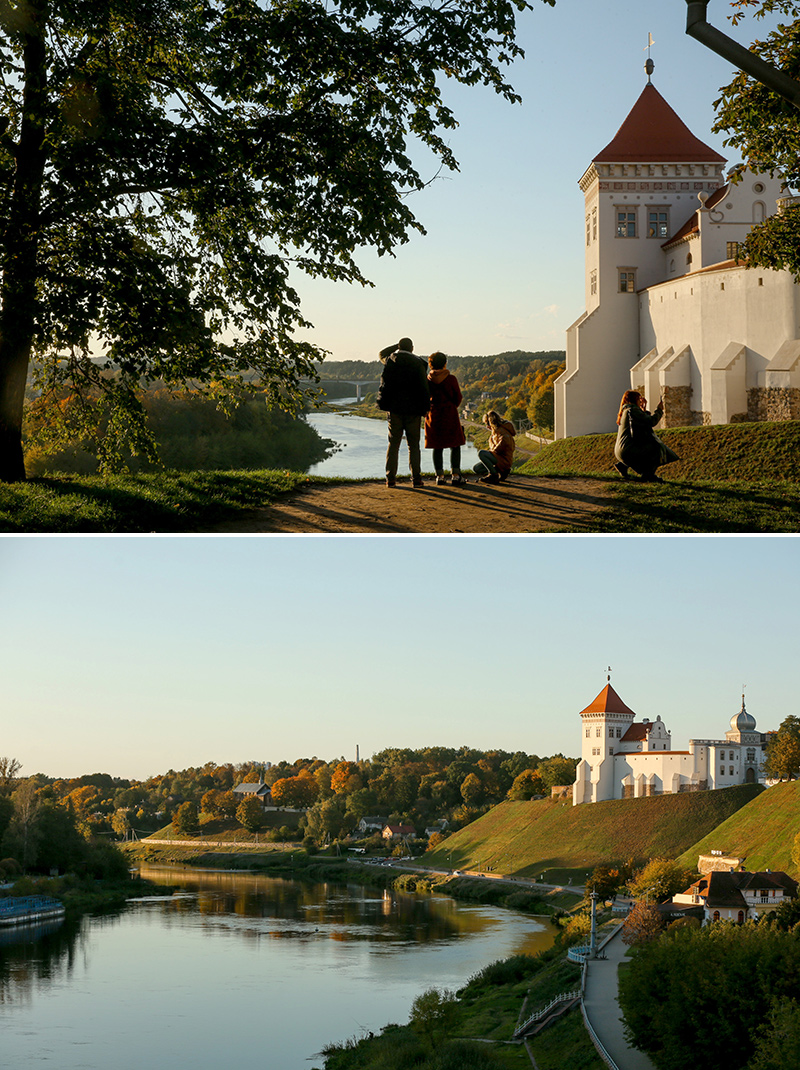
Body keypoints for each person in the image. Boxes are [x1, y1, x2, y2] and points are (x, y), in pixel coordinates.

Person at [376, 338, 430, 487]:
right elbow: (424, 388)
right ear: (412, 348)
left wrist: (397, 347)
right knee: (413, 446)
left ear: (399, 347)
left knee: (393, 444)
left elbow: (381, 353)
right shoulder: (419, 363)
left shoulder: (390, 360)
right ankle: (416, 479)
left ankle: (390, 478)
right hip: (413, 410)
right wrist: (425, 408)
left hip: (394, 409)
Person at [614, 390, 679, 482]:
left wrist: (643, 408)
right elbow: (651, 422)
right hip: (627, 450)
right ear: (634, 399)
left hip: (621, 450)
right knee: (657, 448)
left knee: (646, 447)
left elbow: (642, 421)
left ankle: (623, 465)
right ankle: (648, 475)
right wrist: (659, 410)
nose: (640, 401)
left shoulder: (627, 410)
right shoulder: (632, 410)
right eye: (639, 399)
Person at [424, 352, 467, 485]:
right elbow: (458, 398)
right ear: (444, 363)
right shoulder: (451, 379)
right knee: (455, 444)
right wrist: (452, 406)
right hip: (449, 413)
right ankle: (455, 475)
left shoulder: (427, 380)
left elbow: (424, 397)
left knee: (437, 446)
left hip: (434, 415)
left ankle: (440, 476)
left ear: (430, 364)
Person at [473, 410, 515, 484]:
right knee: (477, 468)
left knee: (481, 453)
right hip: (498, 458)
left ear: (491, 423)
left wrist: (493, 451)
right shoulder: (495, 432)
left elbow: (504, 443)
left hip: (504, 460)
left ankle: (493, 475)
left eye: (487, 424)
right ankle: (500, 472)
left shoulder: (502, 431)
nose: (487, 426)